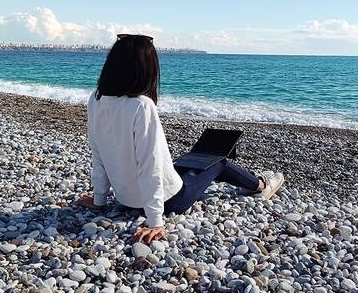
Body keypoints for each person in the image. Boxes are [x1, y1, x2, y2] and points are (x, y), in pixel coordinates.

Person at [75, 34, 284, 244]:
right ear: (147, 69)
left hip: (126, 199)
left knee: (187, 163)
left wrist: (99, 200)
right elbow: (151, 166)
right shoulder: (141, 106)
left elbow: (98, 154)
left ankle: (249, 182)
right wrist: (155, 221)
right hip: (170, 201)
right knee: (217, 161)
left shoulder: (96, 98)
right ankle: (260, 185)